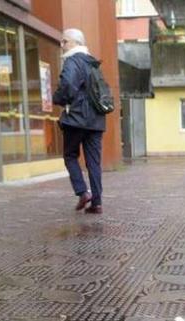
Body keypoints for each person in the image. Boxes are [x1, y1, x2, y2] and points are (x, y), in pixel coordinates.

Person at [53, 28, 106, 214]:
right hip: (97, 120)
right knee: (94, 162)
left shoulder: (72, 61)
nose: (62, 45)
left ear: (75, 42)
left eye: (64, 41)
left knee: (70, 156)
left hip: (76, 118)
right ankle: (97, 203)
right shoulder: (93, 63)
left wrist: (57, 98)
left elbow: (67, 86)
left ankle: (83, 192)